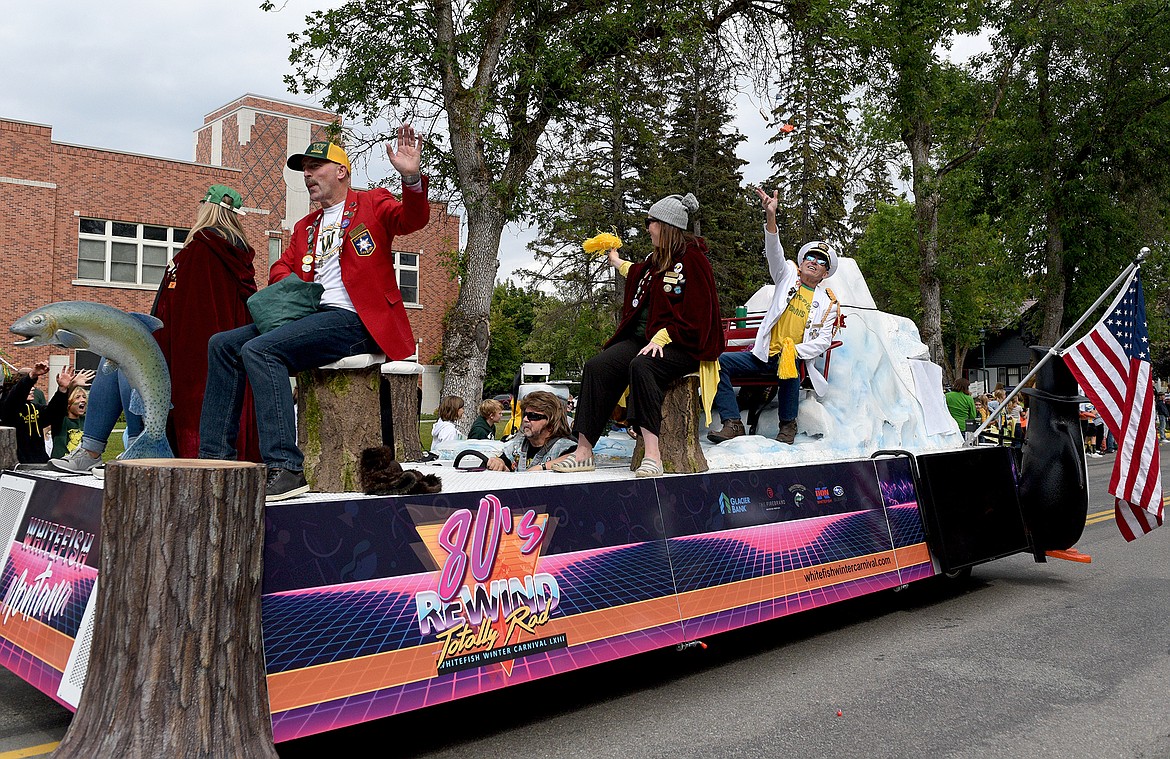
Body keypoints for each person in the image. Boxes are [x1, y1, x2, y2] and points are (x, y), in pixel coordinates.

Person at [199, 127, 429, 501]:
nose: (307, 174)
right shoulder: (305, 226)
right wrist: (292, 282)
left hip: (356, 319)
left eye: (315, 166)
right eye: (303, 169)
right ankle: (215, 460)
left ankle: (286, 467)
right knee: (222, 344)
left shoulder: (373, 203)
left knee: (261, 350)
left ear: (341, 171)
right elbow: (281, 268)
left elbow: (412, 220)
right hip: (311, 316)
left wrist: (411, 177)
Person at [52, 184, 261, 474]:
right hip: (208, 359)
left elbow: (191, 317)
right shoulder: (230, 257)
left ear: (206, 209)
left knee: (130, 356)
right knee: (116, 352)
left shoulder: (200, 251)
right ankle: (95, 449)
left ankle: (131, 449)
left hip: (191, 364)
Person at [553, 192, 724, 477]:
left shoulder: (694, 262)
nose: (648, 227)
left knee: (642, 365)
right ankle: (583, 451)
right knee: (598, 366)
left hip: (686, 344)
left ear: (666, 225)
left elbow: (699, 317)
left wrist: (663, 336)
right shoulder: (656, 259)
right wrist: (616, 261)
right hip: (646, 339)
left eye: (651, 221)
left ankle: (653, 456)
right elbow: (637, 272)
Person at [707, 187, 841, 445]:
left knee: (790, 367)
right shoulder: (786, 276)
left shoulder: (828, 304)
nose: (813, 261)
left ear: (825, 273)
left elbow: (823, 341)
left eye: (820, 261)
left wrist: (795, 351)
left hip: (792, 358)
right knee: (719, 361)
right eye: (810, 257)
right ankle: (732, 422)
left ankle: (787, 427)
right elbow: (774, 251)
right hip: (763, 354)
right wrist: (771, 216)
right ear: (801, 263)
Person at [1, 363, 90, 465]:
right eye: (30, 386)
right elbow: (16, 395)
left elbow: (53, 412)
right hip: (14, 464)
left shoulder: (34, 408)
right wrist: (32, 376)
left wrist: (63, 389)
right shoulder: (7, 408)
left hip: (39, 463)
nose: (33, 389)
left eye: (33, 386)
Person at [487, 391, 576, 472]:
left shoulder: (565, 447)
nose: (525, 419)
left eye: (533, 416)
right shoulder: (517, 446)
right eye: (525, 415)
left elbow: (582, 458)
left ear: (551, 422)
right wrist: (499, 463)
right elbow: (505, 463)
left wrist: (542, 467)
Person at [49, 386, 88, 459]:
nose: (83, 400)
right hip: (61, 463)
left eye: (84, 397)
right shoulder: (61, 420)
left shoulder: (86, 420)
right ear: (68, 402)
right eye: (77, 397)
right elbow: (57, 406)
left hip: (80, 464)